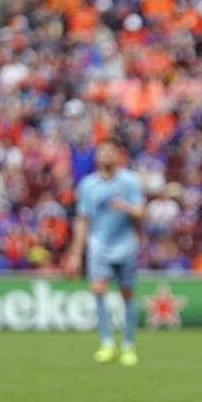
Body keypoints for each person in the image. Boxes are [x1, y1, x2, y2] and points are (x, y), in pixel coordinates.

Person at [65, 139, 146, 366]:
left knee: (127, 294)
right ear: (97, 156)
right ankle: (107, 343)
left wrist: (126, 207)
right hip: (98, 246)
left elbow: (141, 211)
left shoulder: (129, 181)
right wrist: (75, 253)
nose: (107, 155)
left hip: (125, 246)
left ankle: (129, 346)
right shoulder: (88, 185)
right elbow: (83, 220)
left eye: (111, 151)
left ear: (118, 155)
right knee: (98, 291)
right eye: (103, 152)